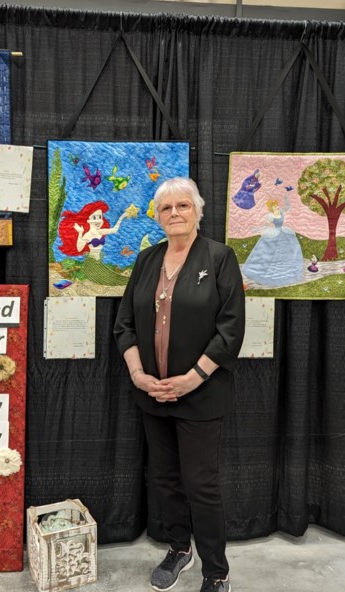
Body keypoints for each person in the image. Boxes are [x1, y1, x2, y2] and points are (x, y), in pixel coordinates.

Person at [114, 177, 245, 592]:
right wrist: (138, 375)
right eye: (166, 208)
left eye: (183, 206)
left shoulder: (220, 258)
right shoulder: (147, 260)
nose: (175, 213)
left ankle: (216, 572)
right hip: (152, 393)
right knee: (165, 479)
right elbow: (124, 325)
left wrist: (192, 378)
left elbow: (231, 330)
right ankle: (178, 549)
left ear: (198, 211)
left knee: (200, 485)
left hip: (201, 394)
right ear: (157, 216)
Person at [240, 193, 304, 288]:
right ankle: (262, 272)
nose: (277, 207)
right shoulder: (270, 216)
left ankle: (288, 270)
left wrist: (286, 198)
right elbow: (266, 225)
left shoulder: (281, 211)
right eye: (275, 206)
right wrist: (257, 229)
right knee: (267, 250)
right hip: (275, 232)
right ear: (271, 208)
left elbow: (287, 207)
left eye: (277, 205)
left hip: (283, 231)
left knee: (289, 249)